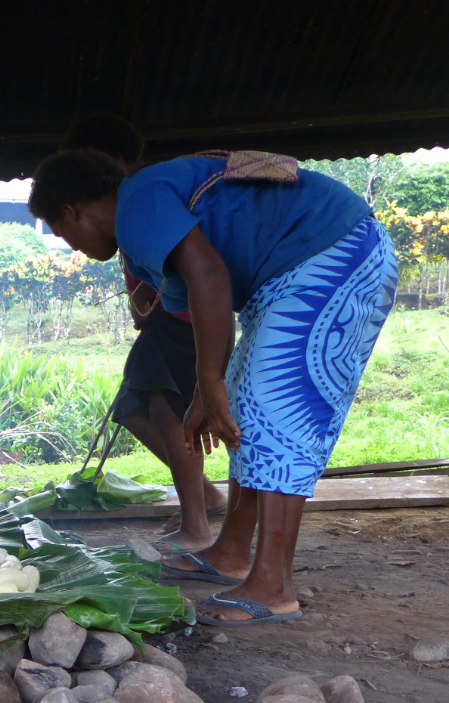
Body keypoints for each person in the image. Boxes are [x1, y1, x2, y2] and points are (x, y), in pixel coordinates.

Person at [29, 148, 397, 626]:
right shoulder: (143, 236)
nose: (70, 244)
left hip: (331, 254)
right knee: (244, 407)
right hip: (288, 273)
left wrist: (209, 380)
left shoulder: (137, 203)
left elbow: (210, 274)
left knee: (275, 407)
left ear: (71, 212)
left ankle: (274, 586)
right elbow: (210, 301)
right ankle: (231, 554)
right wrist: (209, 392)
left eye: (61, 233)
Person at [59, 116, 225, 553]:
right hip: (166, 316)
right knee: (132, 407)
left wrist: (210, 378)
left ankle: (197, 523)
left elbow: (196, 268)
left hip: (187, 315)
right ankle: (205, 496)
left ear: (111, 163)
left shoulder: (144, 195)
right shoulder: (126, 209)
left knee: (165, 404)